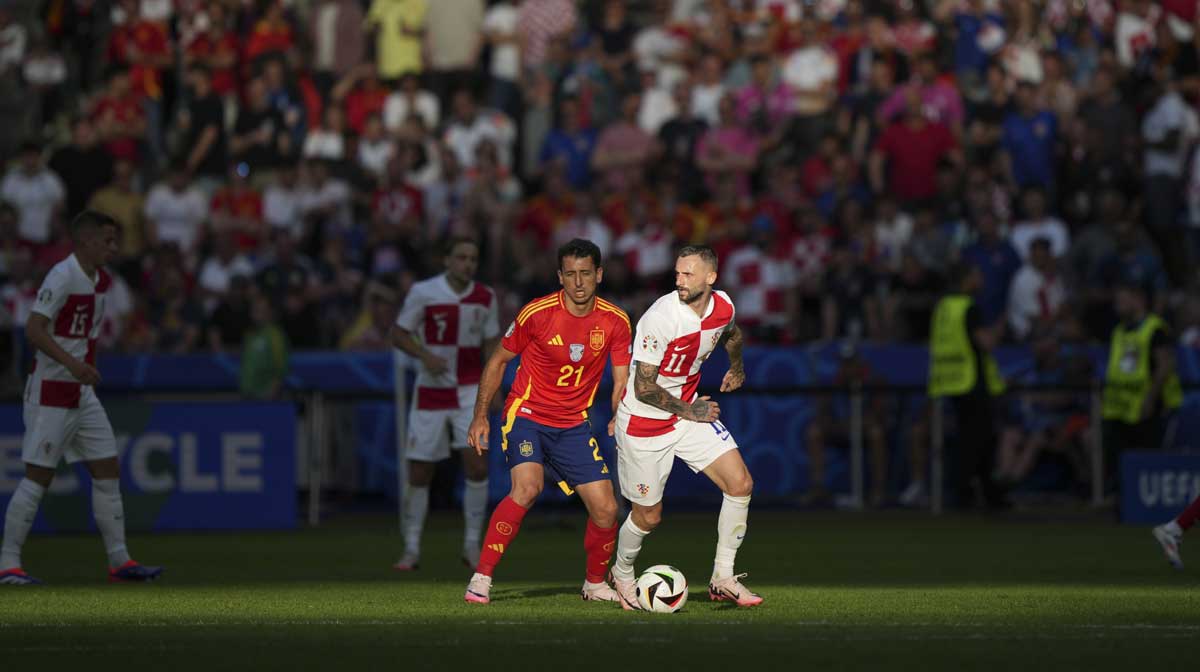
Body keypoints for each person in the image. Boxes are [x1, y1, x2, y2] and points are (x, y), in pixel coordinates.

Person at [462, 239, 632, 605]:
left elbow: (621, 380)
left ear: (599, 274)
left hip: (573, 424)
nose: (579, 282)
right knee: (527, 488)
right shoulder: (536, 314)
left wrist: (621, 412)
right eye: (570, 274)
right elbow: (497, 361)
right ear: (560, 277)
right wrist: (480, 415)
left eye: (586, 273)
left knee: (606, 509)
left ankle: (594, 584)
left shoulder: (616, 321)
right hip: (527, 415)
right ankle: (482, 576)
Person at [0, 210, 162, 585]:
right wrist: (74, 365)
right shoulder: (62, 274)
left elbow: (82, 335)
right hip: (52, 390)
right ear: (86, 240)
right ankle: (7, 565)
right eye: (107, 240)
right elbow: (34, 330)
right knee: (38, 477)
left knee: (107, 469)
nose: (113, 247)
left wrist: (83, 369)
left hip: (80, 391)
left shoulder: (99, 281)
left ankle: (120, 562)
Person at [609, 245, 762, 610]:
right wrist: (689, 410)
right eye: (677, 273)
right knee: (648, 517)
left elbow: (733, 335)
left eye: (688, 274)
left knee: (740, 483)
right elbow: (644, 388)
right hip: (646, 422)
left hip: (688, 414)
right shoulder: (660, 317)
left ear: (710, 277)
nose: (680, 281)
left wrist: (736, 367)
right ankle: (622, 573)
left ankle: (722, 577)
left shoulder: (723, 306)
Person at [390, 237, 500, 570]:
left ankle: (471, 545)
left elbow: (492, 342)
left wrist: (493, 390)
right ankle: (411, 549)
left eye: (473, 258)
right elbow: (398, 332)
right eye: (462, 257)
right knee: (420, 471)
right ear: (447, 260)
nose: (468, 263)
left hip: (469, 391)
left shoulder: (485, 297)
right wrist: (424, 355)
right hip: (432, 392)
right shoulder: (424, 292)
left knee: (477, 466)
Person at [927, 261, 1007, 509]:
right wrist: (1000, 328)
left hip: (949, 381)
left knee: (977, 439)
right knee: (977, 441)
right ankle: (962, 493)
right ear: (967, 279)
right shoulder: (968, 308)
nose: (980, 279)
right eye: (977, 274)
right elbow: (986, 343)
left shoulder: (943, 307)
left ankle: (989, 495)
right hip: (970, 381)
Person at [1101, 280, 1182, 491]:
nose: (1116, 305)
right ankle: (1120, 499)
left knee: (1147, 459)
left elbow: (1165, 365)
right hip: (1118, 408)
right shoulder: (1119, 330)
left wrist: (1151, 398)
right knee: (1117, 460)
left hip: (1147, 408)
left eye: (1122, 300)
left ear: (1138, 300)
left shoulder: (1155, 329)